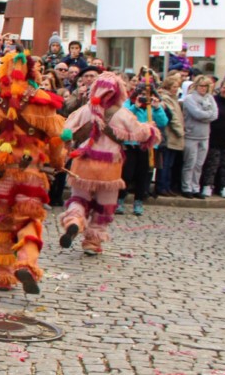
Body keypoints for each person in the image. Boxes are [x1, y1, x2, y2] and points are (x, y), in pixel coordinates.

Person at [0, 51, 67, 292]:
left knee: (3, 223)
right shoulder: (42, 100)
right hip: (31, 172)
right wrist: (57, 162)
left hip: (2, 173)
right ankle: (26, 262)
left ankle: (2, 275)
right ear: (32, 70)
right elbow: (56, 140)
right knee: (29, 222)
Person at [58, 73, 161, 255]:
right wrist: (150, 128)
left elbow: (65, 132)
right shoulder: (122, 114)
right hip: (110, 167)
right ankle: (92, 241)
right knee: (104, 205)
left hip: (83, 162)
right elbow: (141, 133)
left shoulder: (85, 111)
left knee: (79, 199)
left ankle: (74, 221)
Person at [120, 77, 168, 216]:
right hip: (131, 145)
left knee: (143, 175)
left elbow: (163, 122)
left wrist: (157, 108)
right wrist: (136, 106)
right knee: (127, 174)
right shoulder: (129, 104)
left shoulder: (152, 107)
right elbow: (124, 118)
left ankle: (139, 201)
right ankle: (121, 199)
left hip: (147, 145)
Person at [181, 76, 218, 198]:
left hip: (205, 135)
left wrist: (206, 115)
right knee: (190, 163)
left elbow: (215, 115)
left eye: (205, 86)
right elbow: (197, 114)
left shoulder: (210, 98)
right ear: (196, 86)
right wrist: (207, 115)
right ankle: (186, 187)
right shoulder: (189, 98)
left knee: (199, 164)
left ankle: (196, 187)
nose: (203, 88)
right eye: (201, 86)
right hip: (191, 134)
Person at [156, 73, 186, 197]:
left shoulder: (173, 99)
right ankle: (162, 186)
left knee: (170, 163)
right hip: (170, 135)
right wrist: (180, 131)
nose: (176, 89)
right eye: (174, 86)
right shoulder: (166, 98)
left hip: (174, 136)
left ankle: (167, 186)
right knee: (165, 163)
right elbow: (173, 118)